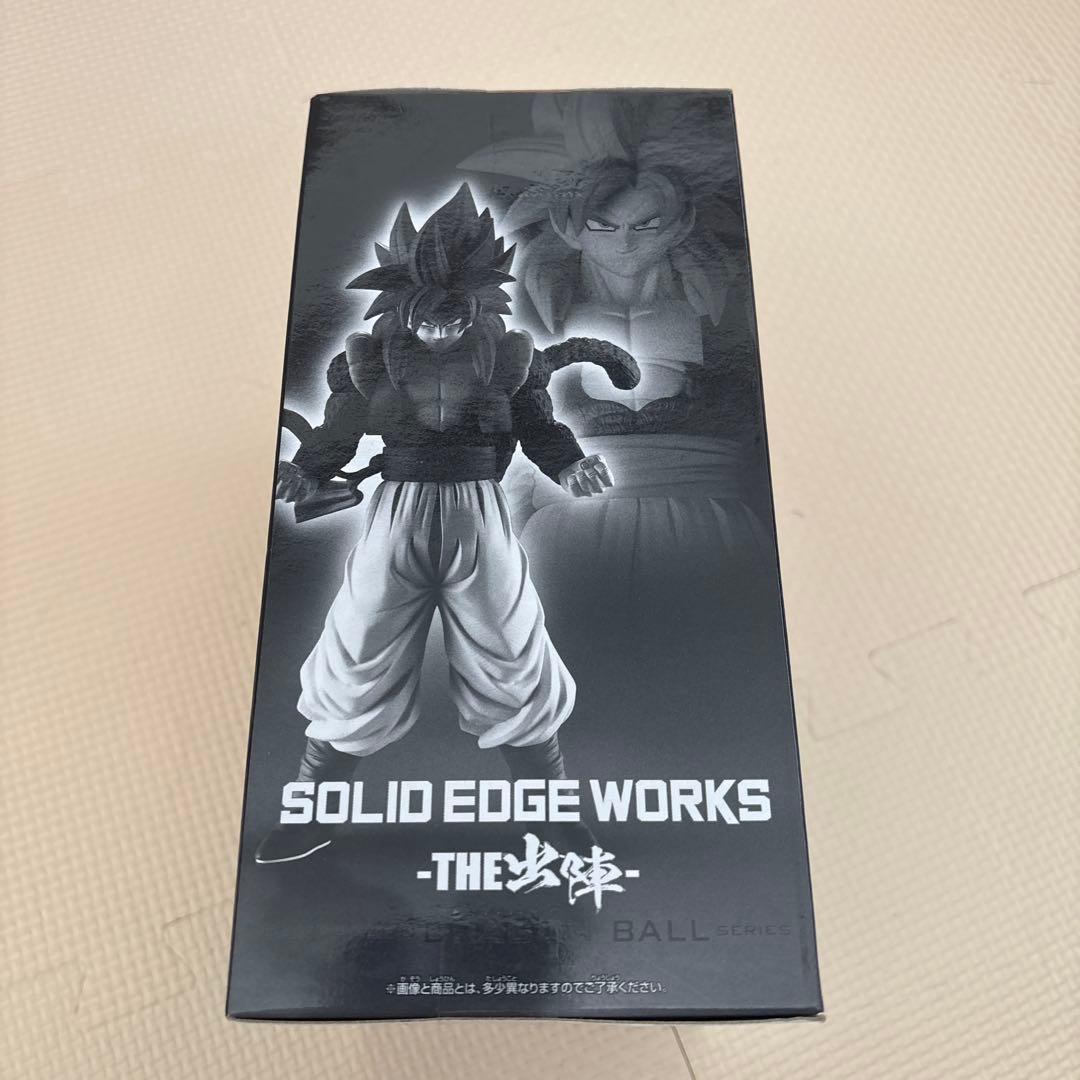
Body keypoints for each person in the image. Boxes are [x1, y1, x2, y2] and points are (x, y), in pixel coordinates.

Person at [255, 183, 637, 864]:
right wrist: (305, 472)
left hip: (478, 513)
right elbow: (338, 434)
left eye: (451, 312)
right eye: (425, 314)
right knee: (358, 645)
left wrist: (570, 463)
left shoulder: (509, 358)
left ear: (476, 302)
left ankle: (549, 814)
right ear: (402, 306)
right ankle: (313, 812)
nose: (438, 328)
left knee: (510, 650)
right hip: (396, 511)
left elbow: (539, 428)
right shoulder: (368, 359)